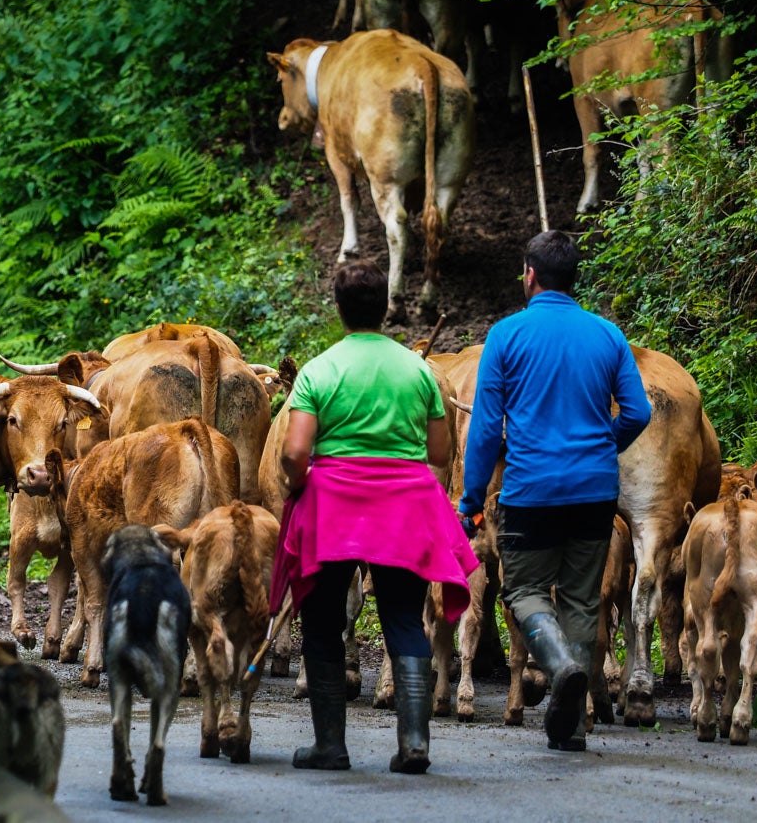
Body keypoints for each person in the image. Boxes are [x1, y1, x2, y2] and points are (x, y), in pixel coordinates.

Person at [273, 258, 478, 775]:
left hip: (332, 506)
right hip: (404, 505)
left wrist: (299, 487)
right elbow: (439, 452)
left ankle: (330, 746)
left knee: (320, 622)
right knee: (404, 617)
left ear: (338, 309)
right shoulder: (418, 370)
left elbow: (296, 454)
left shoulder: (320, 369)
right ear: (385, 308)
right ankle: (414, 743)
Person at [459, 230, 650, 753]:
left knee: (523, 593)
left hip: (529, 493)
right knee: (584, 601)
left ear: (530, 275)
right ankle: (574, 728)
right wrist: (601, 446)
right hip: (594, 495)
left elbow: (483, 430)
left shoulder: (505, 336)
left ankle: (562, 666)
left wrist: (471, 501)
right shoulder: (608, 335)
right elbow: (638, 412)